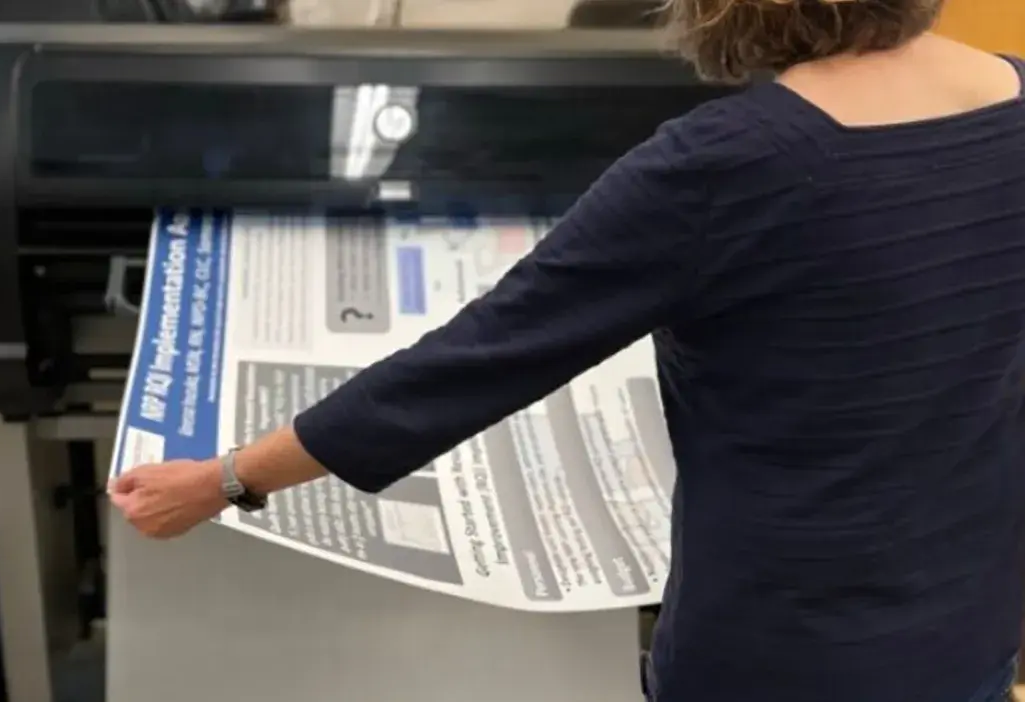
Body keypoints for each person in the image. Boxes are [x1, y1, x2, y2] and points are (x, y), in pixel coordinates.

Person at [109, 1, 1025, 700]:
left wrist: (227, 478)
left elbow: (475, 359)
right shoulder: (1013, 93)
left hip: (780, 650)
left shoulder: (728, 162)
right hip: (966, 627)